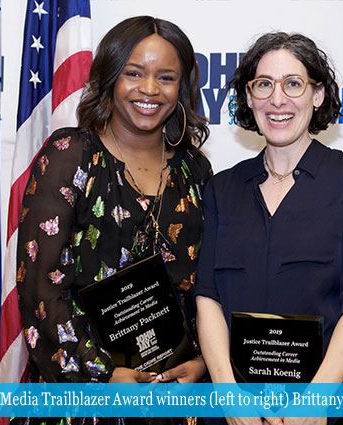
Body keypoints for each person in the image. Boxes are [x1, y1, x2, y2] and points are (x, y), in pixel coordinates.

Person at [14, 16, 211, 425]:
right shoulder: (69, 155)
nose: (150, 89)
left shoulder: (196, 172)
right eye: (134, 73)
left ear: (183, 88)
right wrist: (103, 375)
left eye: (167, 77)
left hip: (171, 399)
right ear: (109, 77)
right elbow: (39, 289)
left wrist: (202, 362)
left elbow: (205, 287)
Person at [195, 32, 343, 425]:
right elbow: (207, 297)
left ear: (317, 95)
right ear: (248, 98)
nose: (277, 99)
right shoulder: (222, 188)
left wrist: (316, 400)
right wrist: (228, 396)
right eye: (263, 84)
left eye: (293, 84)